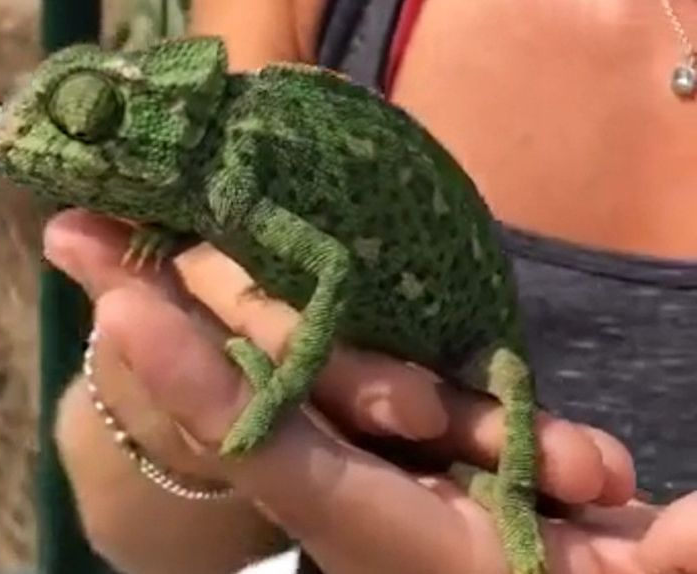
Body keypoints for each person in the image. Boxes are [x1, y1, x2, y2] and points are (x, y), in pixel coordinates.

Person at [44, 0, 697, 572]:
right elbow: (134, 533)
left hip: (470, 336)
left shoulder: (231, 173)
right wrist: (171, 406)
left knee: (510, 394)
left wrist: (284, 385)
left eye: (86, 116)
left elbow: (327, 263)